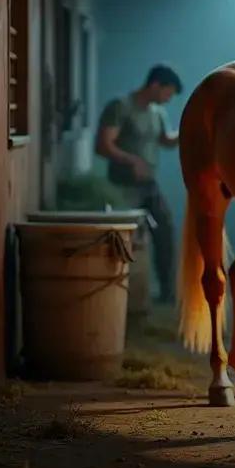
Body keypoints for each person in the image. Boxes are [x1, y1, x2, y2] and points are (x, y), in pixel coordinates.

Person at [96, 64, 183, 303]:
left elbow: (166, 141)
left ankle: (167, 291)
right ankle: (119, 294)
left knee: (165, 230)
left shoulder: (158, 113)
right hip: (122, 186)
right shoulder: (121, 106)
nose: (168, 99)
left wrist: (186, 129)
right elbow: (103, 145)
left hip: (149, 185)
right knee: (126, 239)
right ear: (155, 85)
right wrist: (131, 160)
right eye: (167, 93)